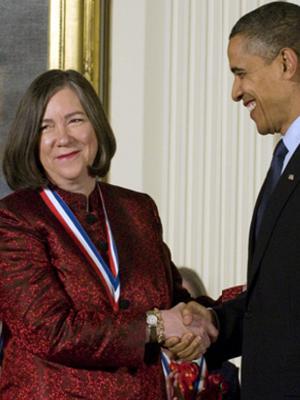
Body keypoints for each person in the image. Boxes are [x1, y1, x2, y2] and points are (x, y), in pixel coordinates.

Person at [0, 69, 217, 399]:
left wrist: (198, 320)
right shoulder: (15, 217)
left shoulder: (138, 209)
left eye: (75, 120)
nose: (63, 137)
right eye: (46, 126)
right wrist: (155, 326)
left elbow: (172, 300)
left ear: (96, 127)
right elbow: (48, 331)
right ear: (31, 139)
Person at [177, 2, 300, 399]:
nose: (235, 93)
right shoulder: (285, 162)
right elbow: (278, 301)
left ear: (286, 63)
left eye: (240, 73)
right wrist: (213, 320)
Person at [178, 267, 241, 400]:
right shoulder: (148, 366)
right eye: (176, 308)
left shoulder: (226, 375)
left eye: (188, 306)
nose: (184, 316)